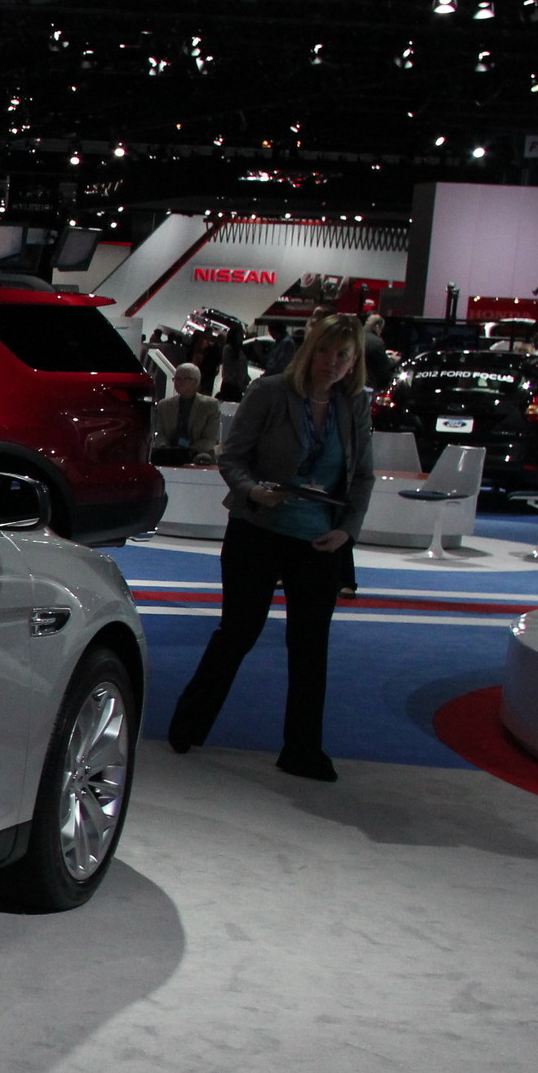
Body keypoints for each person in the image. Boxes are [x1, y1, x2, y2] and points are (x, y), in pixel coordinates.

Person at [168, 313, 375, 782]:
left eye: (344, 355)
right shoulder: (271, 392)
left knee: (310, 646)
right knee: (238, 632)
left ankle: (302, 749)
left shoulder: (353, 404)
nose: (333, 363)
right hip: (257, 529)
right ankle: (189, 724)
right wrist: (255, 491)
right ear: (310, 350)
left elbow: (363, 475)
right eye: (326, 351)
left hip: (321, 542)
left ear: (355, 361)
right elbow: (233, 457)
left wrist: (347, 532)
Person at [152, 362, 223, 465]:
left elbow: (210, 439)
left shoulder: (211, 406)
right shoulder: (164, 405)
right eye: (176, 378)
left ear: (196, 382)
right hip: (168, 455)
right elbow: (158, 433)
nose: (178, 382)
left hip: (199, 455)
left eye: (184, 378)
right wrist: (167, 450)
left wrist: (187, 453)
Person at [362, 313, 398, 388]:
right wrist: (393, 360)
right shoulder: (376, 342)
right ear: (377, 327)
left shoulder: (357, 334)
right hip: (367, 384)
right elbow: (384, 366)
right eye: (381, 329)